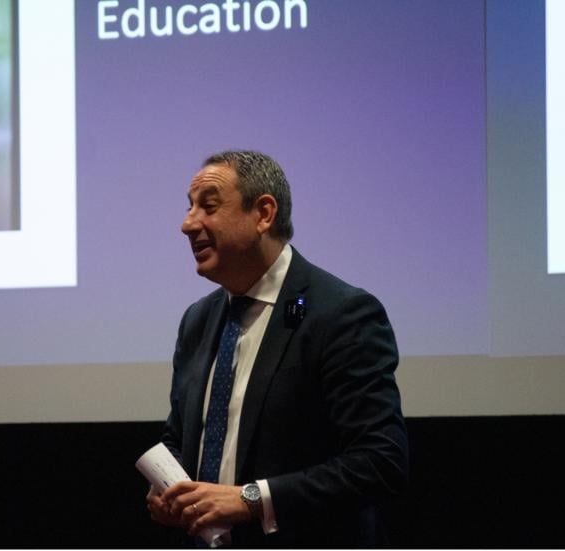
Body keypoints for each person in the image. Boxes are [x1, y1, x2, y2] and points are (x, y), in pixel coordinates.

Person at [147, 150, 408, 547]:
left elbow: (379, 462)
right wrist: (168, 488)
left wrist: (252, 500)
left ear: (264, 214)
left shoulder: (341, 314)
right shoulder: (197, 320)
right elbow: (180, 437)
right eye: (189, 207)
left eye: (209, 207)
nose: (188, 224)